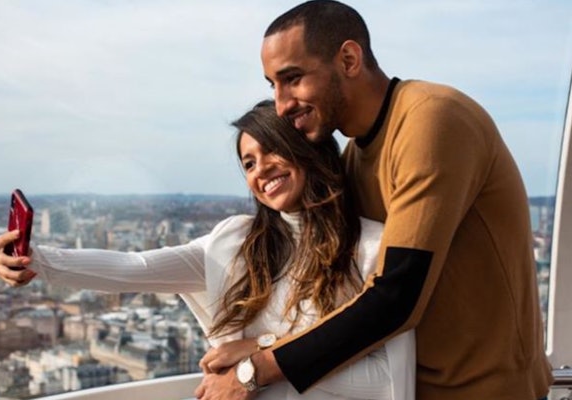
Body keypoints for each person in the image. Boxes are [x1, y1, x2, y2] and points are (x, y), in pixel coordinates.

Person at [194, 1, 553, 400]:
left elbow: (395, 296)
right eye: (272, 86)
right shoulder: (355, 157)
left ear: (349, 59)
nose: (281, 105)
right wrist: (264, 345)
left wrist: (255, 370)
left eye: (292, 79)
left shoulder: (433, 120)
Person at [0, 100, 415, 400]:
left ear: (307, 150)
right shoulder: (235, 243)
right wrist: (36, 260)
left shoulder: (374, 249)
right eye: (248, 162)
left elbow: (388, 383)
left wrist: (257, 358)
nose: (260, 169)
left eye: (272, 149)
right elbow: (135, 268)